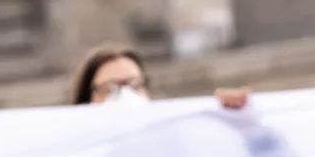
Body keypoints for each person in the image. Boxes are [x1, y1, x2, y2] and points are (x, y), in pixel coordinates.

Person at [70, 45, 250, 110]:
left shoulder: (172, 145)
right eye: (109, 89)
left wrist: (236, 120)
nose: (125, 96)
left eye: (134, 85)